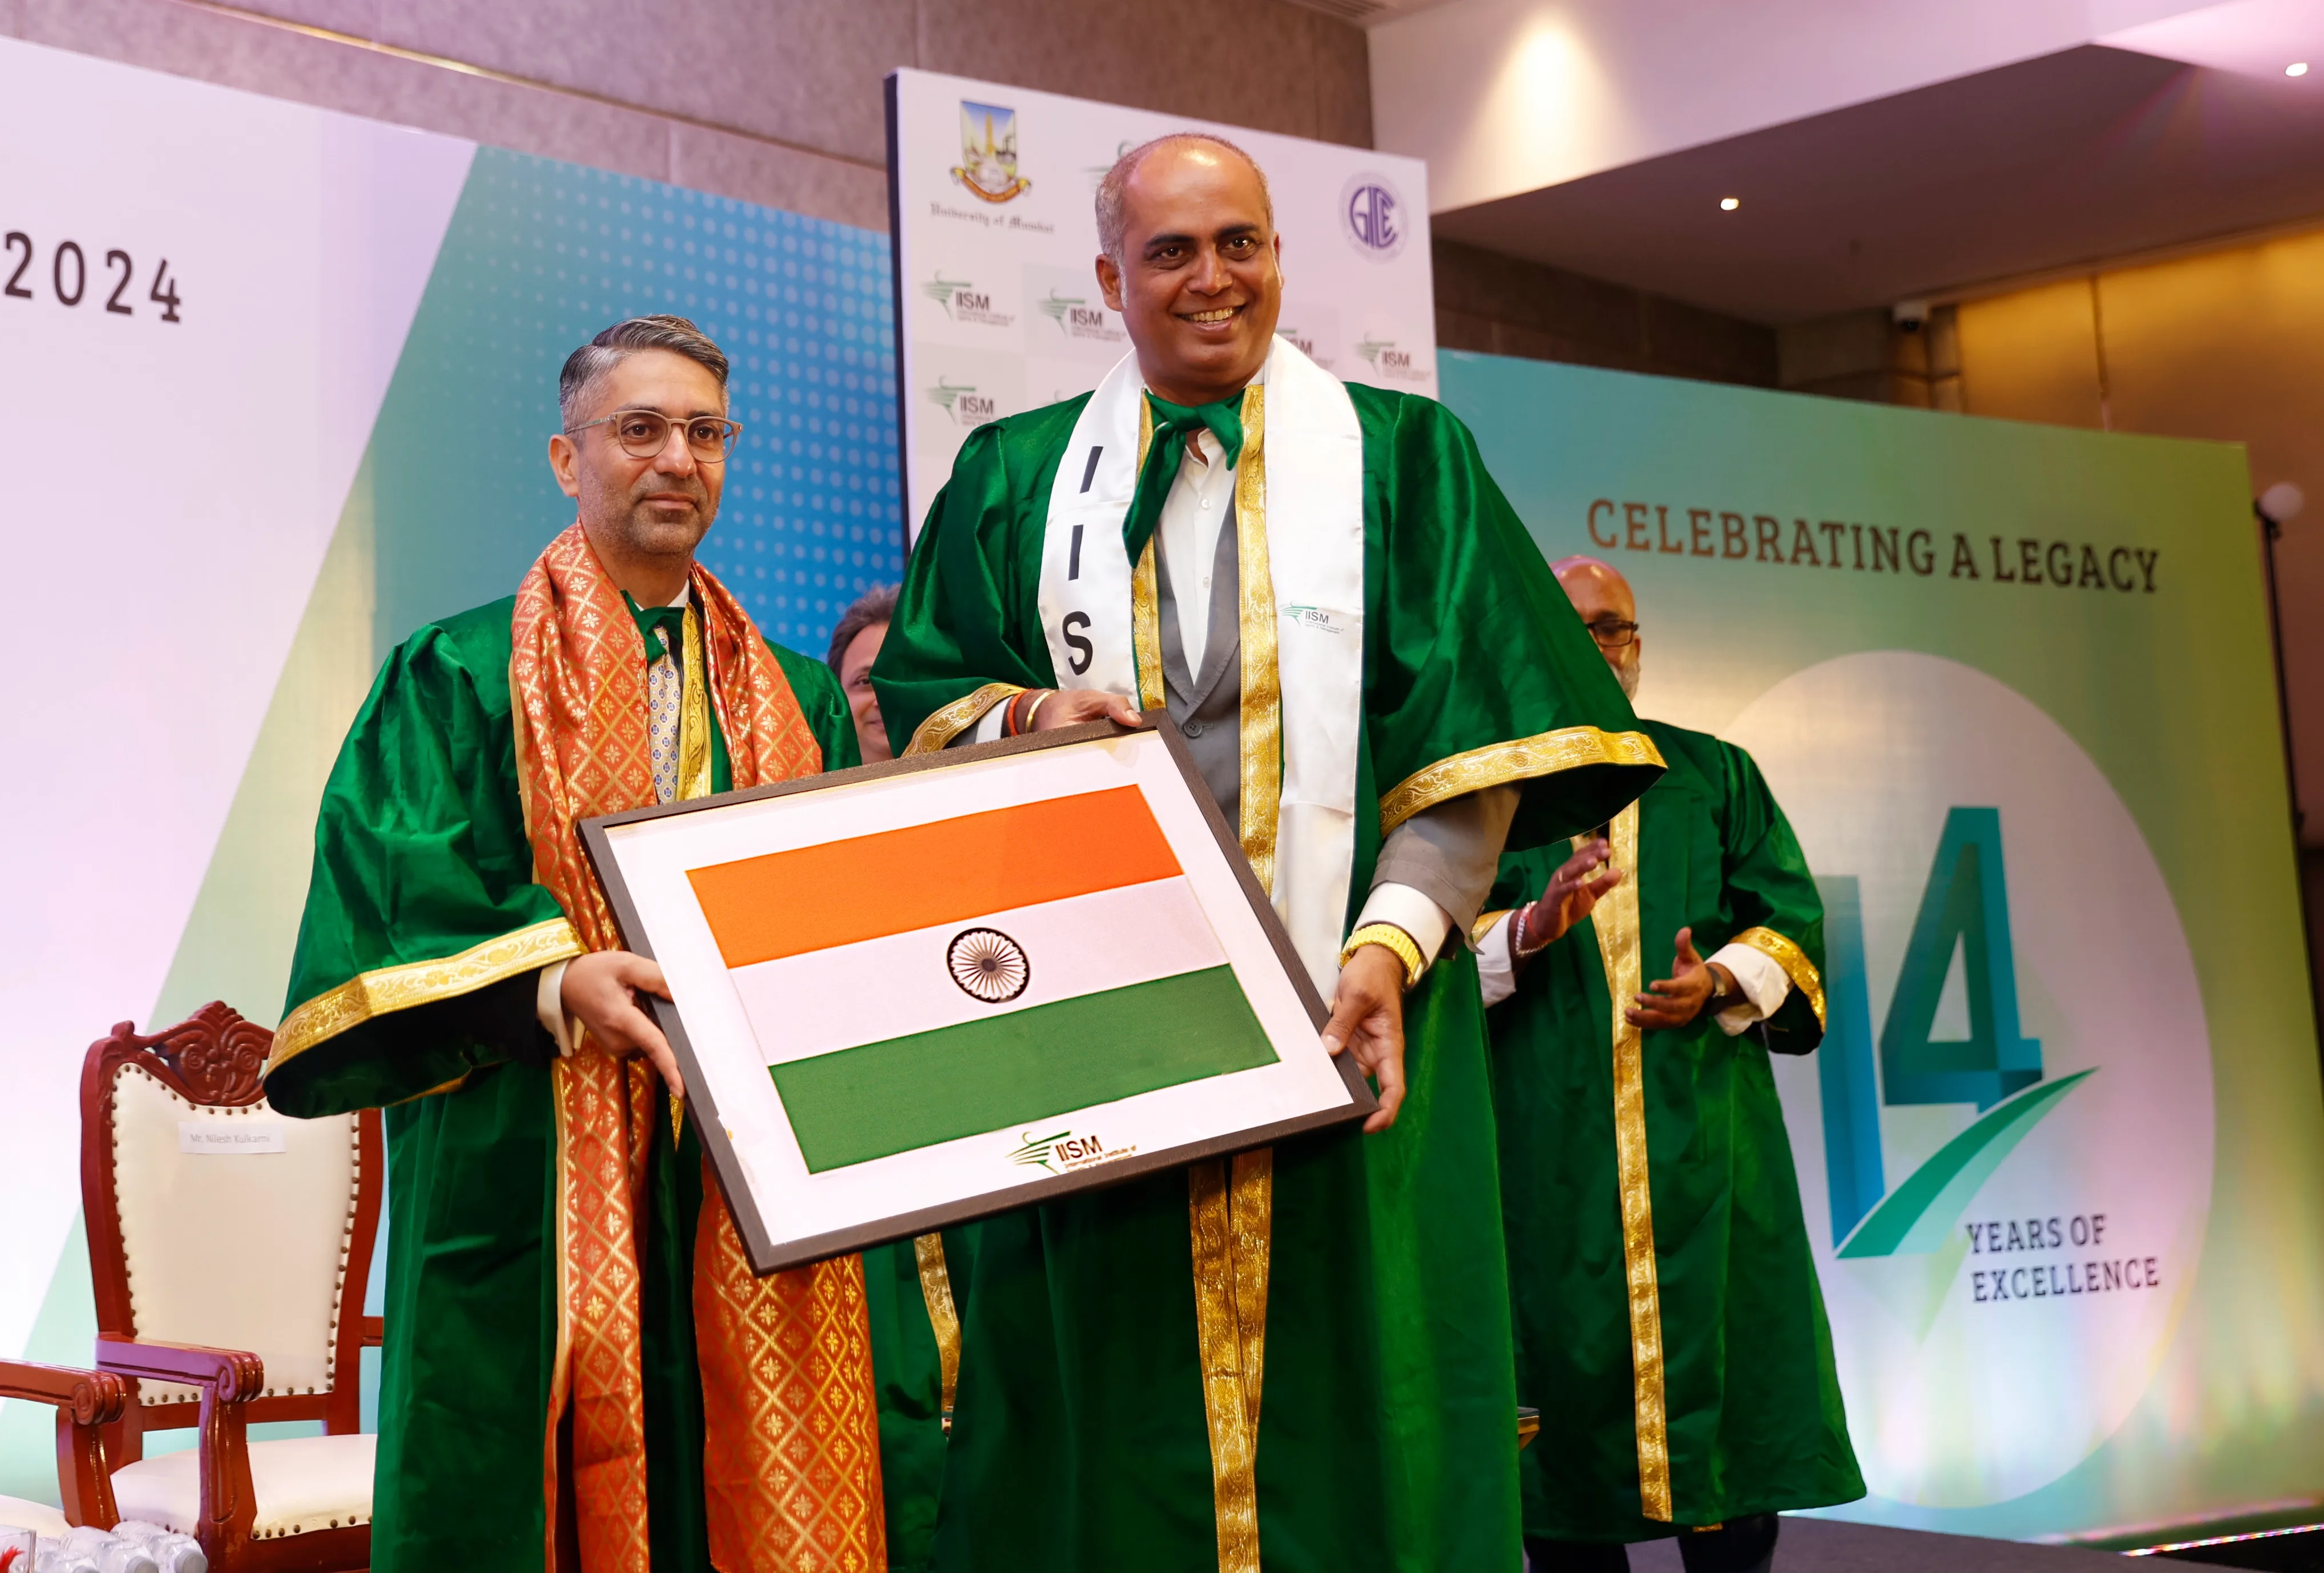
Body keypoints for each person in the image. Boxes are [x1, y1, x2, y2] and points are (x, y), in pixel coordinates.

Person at [871, 133, 1662, 1571]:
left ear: (1281, 255)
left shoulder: (1408, 463)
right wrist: (1034, 713)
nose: (1214, 277)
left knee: (1364, 1426)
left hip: (1359, 1029)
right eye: (1172, 251)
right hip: (1094, 1056)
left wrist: (1394, 945)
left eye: (1242, 241)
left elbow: (1469, 750)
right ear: (1111, 276)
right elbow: (922, 713)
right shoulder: (1011, 477)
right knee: (1104, 1443)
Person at [262, 316, 885, 1573]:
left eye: (705, 434)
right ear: (566, 458)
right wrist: (555, 981)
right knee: (511, 1489)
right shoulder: (453, 674)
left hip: (737, 1167)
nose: (676, 459)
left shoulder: (800, 695)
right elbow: (395, 897)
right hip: (526, 1162)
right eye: (639, 430)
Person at [1474, 557, 1865, 1573]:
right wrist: (1527, 926)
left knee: (1728, 1439)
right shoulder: (1482, 792)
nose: (1599, 647)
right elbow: (1413, 953)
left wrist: (1724, 981)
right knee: (1562, 1465)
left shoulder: (1715, 774)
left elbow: (1791, 925)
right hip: (1543, 1169)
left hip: (1705, 1161)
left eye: (1615, 629)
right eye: (1576, 628)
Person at [827, 583, 902, 765]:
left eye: (902, 679)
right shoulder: (803, 792)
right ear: (836, 701)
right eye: (866, 681)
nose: (883, 700)